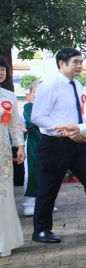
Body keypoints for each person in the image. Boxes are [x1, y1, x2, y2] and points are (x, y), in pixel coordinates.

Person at [30, 48, 86, 244]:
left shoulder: (76, 84)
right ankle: (42, 230)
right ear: (62, 63)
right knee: (49, 188)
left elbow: (75, 114)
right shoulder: (49, 85)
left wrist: (80, 130)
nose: (80, 66)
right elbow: (37, 116)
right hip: (55, 143)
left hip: (77, 142)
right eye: (76, 62)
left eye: (81, 62)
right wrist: (63, 130)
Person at [0, 57, 26, 257]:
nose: (1, 72)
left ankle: (5, 242)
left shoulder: (8, 96)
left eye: (3, 69)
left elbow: (15, 124)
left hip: (3, 152)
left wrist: (20, 146)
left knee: (4, 195)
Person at [21, 80, 41, 217]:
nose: (38, 94)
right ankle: (29, 203)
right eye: (35, 91)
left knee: (47, 173)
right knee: (31, 173)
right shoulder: (29, 107)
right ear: (31, 94)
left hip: (48, 144)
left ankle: (43, 202)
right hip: (33, 143)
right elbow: (31, 122)